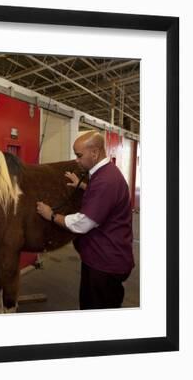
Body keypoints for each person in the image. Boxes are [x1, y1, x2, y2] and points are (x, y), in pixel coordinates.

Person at [36, 131, 134, 310]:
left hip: (105, 263)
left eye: (79, 155)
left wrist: (51, 215)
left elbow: (83, 223)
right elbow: (103, 199)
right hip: (102, 259)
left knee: (96, 310)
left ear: (95, 153)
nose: (76, 160)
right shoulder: (105, 173)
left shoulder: (106, 181)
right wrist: (82, 186)